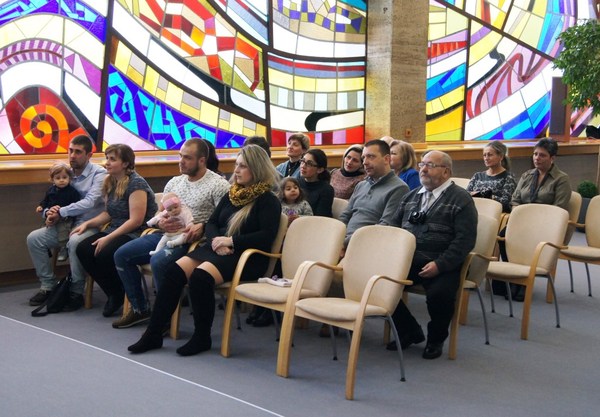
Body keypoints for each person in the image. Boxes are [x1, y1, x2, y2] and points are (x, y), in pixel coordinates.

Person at [128, 144, 282, 356]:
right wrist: (217, 240)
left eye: (242, 166)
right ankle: (153, 334)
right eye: (236, 165)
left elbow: (265, 236)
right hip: (219, 248)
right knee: (174, 272)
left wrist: (231, 241)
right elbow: (212, 222)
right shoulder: (233, 194)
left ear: (256, 169)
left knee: (200, 278)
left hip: (246, 256)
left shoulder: (268, 200)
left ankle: (202, 337)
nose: (236, 170)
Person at [112, 138, 230, 329]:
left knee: (159, 261)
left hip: (190, 239)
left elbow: (224, 220)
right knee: (121, 255)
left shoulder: (218, 185)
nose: (181, 161)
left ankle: (163, 319)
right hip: (165, 234)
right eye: (180, 156)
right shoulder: (175, 182)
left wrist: (202, 225)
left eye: (187, 158)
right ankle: (140, 309)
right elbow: (159, 213)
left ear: (202, 160)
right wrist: (161, 222)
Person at [389, 150, 477, 359]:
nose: (423, 169)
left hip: (444, 263)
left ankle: (436, 339)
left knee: (440, 295)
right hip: (408, 261)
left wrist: (440, 264)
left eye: (430, 165)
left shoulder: (461, 199)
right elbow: (393, 228)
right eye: (422, 165)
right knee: (378, 283)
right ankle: (409, 330)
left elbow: (464, 241)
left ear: (446, 172)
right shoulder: (411, 196)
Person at [75, 144, 157, 318]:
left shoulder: (136, 183)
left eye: (112, 159)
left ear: (125, 163)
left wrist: (108, 238)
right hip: (115, 228)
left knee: (105, 253)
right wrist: (88, 224)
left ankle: (122, 294)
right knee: (83, 249)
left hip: (136, 232)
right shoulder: (111, 180)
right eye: (107, 158)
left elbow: (136, 220)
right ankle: (115, 292)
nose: (107, 163)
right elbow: (109, 213)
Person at [26, 135, 106, 311]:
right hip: (64, 224)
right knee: (34, 238)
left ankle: (76, 291)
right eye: (70, 151)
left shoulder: (99, 174)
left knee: (75, 241)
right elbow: (50, 198)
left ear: (89, 155)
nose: (72, 156)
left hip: (90, 224)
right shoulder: (65, 172)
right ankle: (48, 286)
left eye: (78, 152)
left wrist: (61, 211)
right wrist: (48, 212)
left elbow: (90, 202)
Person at [496, 137, 571, 301]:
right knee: (503, 236)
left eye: (542, 155)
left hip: (546, 226)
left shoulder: (561, 179)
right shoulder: (527, 175)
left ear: (552, 158)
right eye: (535, 154)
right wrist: (520, 216)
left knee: (526, 238)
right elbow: (515, 199)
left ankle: (523, 282)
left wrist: (533, 219)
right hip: (523, 222)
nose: (537, 158)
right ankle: (514, 277)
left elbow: (558, 209)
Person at [339, 139, 409, 249]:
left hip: (368, 247)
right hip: (344, 243)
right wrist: (336, 239)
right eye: (363, 158)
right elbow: (345, 216)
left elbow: (383, 227)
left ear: (386, 159)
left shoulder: (399, 188)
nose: (365, 162)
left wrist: (344, 244)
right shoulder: (361, 185)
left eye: (370, 157)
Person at [35, 163, 81, 260]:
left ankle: (64, 247)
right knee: (43, 228)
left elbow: (76, 206)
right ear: (52, 180)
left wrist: (63, 213)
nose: (61, 180)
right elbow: (46, 200)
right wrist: (41, 207)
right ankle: (46, 249)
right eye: (58, 178)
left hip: (65, 218)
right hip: (51, 216)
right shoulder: (51, 190)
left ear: (70, 178)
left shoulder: (72, 192)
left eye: (64, 177)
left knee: (63, 233)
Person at [466, 140, 517, 213]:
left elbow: (507, 204)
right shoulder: (477, 176)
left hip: (494, 213)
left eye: (490, 155)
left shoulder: (508, 178)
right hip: (474, 211)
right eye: (484, 155)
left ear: (501, 156)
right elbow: (466, 196)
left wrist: (489, 196)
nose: (486, 158)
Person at [297, 149, 334, 217]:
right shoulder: (297, 183)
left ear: (320, 170)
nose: (303, 166)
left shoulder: (327, 190)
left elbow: (320, 217)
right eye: (302, 161)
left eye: (309, 164)